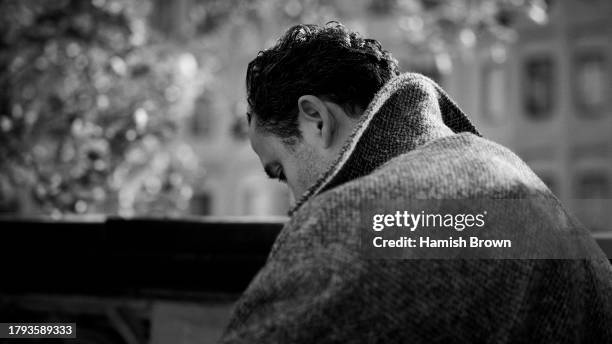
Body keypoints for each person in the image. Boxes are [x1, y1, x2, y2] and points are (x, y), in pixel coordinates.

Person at [219, 22, 612, 343]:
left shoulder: (347, 225)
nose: (294, 204)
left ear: (316, 119)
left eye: (281, 171)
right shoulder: (532, 193)